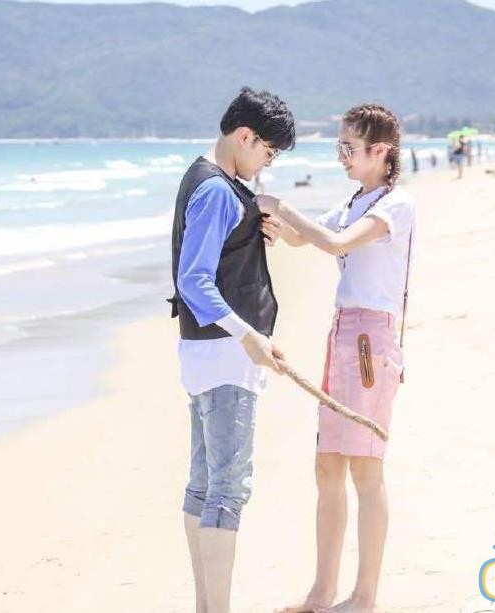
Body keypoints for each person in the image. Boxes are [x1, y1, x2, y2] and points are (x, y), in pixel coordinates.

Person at [258, 104, 415, 613]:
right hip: (344, 333)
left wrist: (282, 206)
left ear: (381, 151)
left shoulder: (395, 205)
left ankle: (364, 596)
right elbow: (303, 237)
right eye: (339, 147)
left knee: (365, 469)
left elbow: (333, 242)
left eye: (350, 148)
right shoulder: (355, 201)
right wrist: (271, 221)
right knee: (327, 466)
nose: (342, 156)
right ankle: (321, 593)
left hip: (370, 342)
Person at [168, 86, 296, 613]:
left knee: (204, 485)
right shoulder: (218, 191)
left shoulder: (211, 181)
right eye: (268, 152)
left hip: (204, 354)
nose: (267, 164)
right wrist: (249, 336)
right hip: (226, 356)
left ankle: (207, 606)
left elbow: (213, 264)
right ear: (245, 136)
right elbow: (194, 281)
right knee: (227, 489)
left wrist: (252, 232)